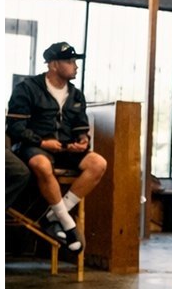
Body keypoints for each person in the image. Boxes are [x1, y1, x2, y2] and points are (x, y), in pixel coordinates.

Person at [6, 42, 107, 254]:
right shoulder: (27, 88)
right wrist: (42, 142)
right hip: (35, 147)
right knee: (41, 164)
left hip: (65, 150)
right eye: (70, 62)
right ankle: (68, 224)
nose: (75, 66)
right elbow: (15, 127)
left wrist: (82, 140)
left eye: (75, 62)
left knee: (98, 163)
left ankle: (54, 216)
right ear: (53, 65)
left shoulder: (76, 94)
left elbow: (80, 126)